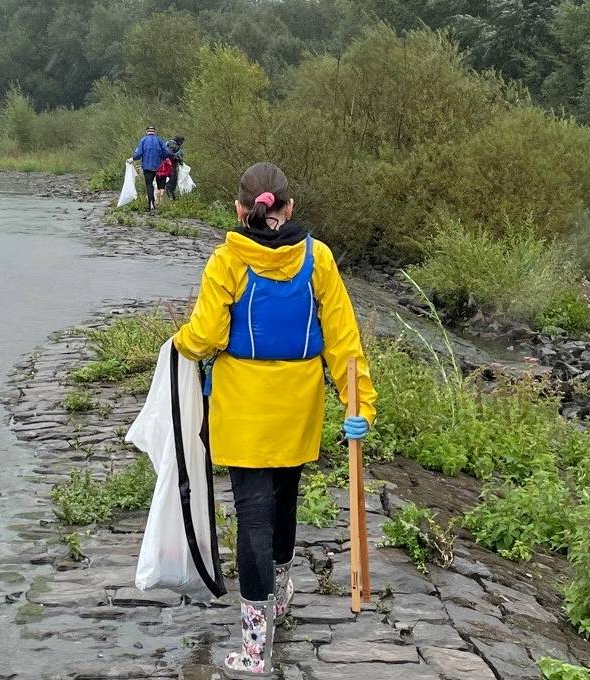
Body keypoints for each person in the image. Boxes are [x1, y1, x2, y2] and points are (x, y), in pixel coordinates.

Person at [171, 162, 377, 678]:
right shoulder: (319, 259)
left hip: (243, 408)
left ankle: (255, 647)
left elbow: (205, 336)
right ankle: (281, 595)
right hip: (298, 405)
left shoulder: (228, 261)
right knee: (286, 498)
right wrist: (360, 406)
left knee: (253, 517)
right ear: (289, 208)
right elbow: (345, 344)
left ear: (240, 209)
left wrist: (176, 345)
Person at [129, 126, 170, 210]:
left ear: (146, 131)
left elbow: (139, 153)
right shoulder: (159, 140)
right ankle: (160, 203)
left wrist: (132, 158)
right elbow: (166, 152)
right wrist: (164, 157)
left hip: (147, 167)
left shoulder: (143, 140)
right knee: (160, 185)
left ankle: (151, 204)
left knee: (149, 185)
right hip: (159, 167)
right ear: (155, 132)